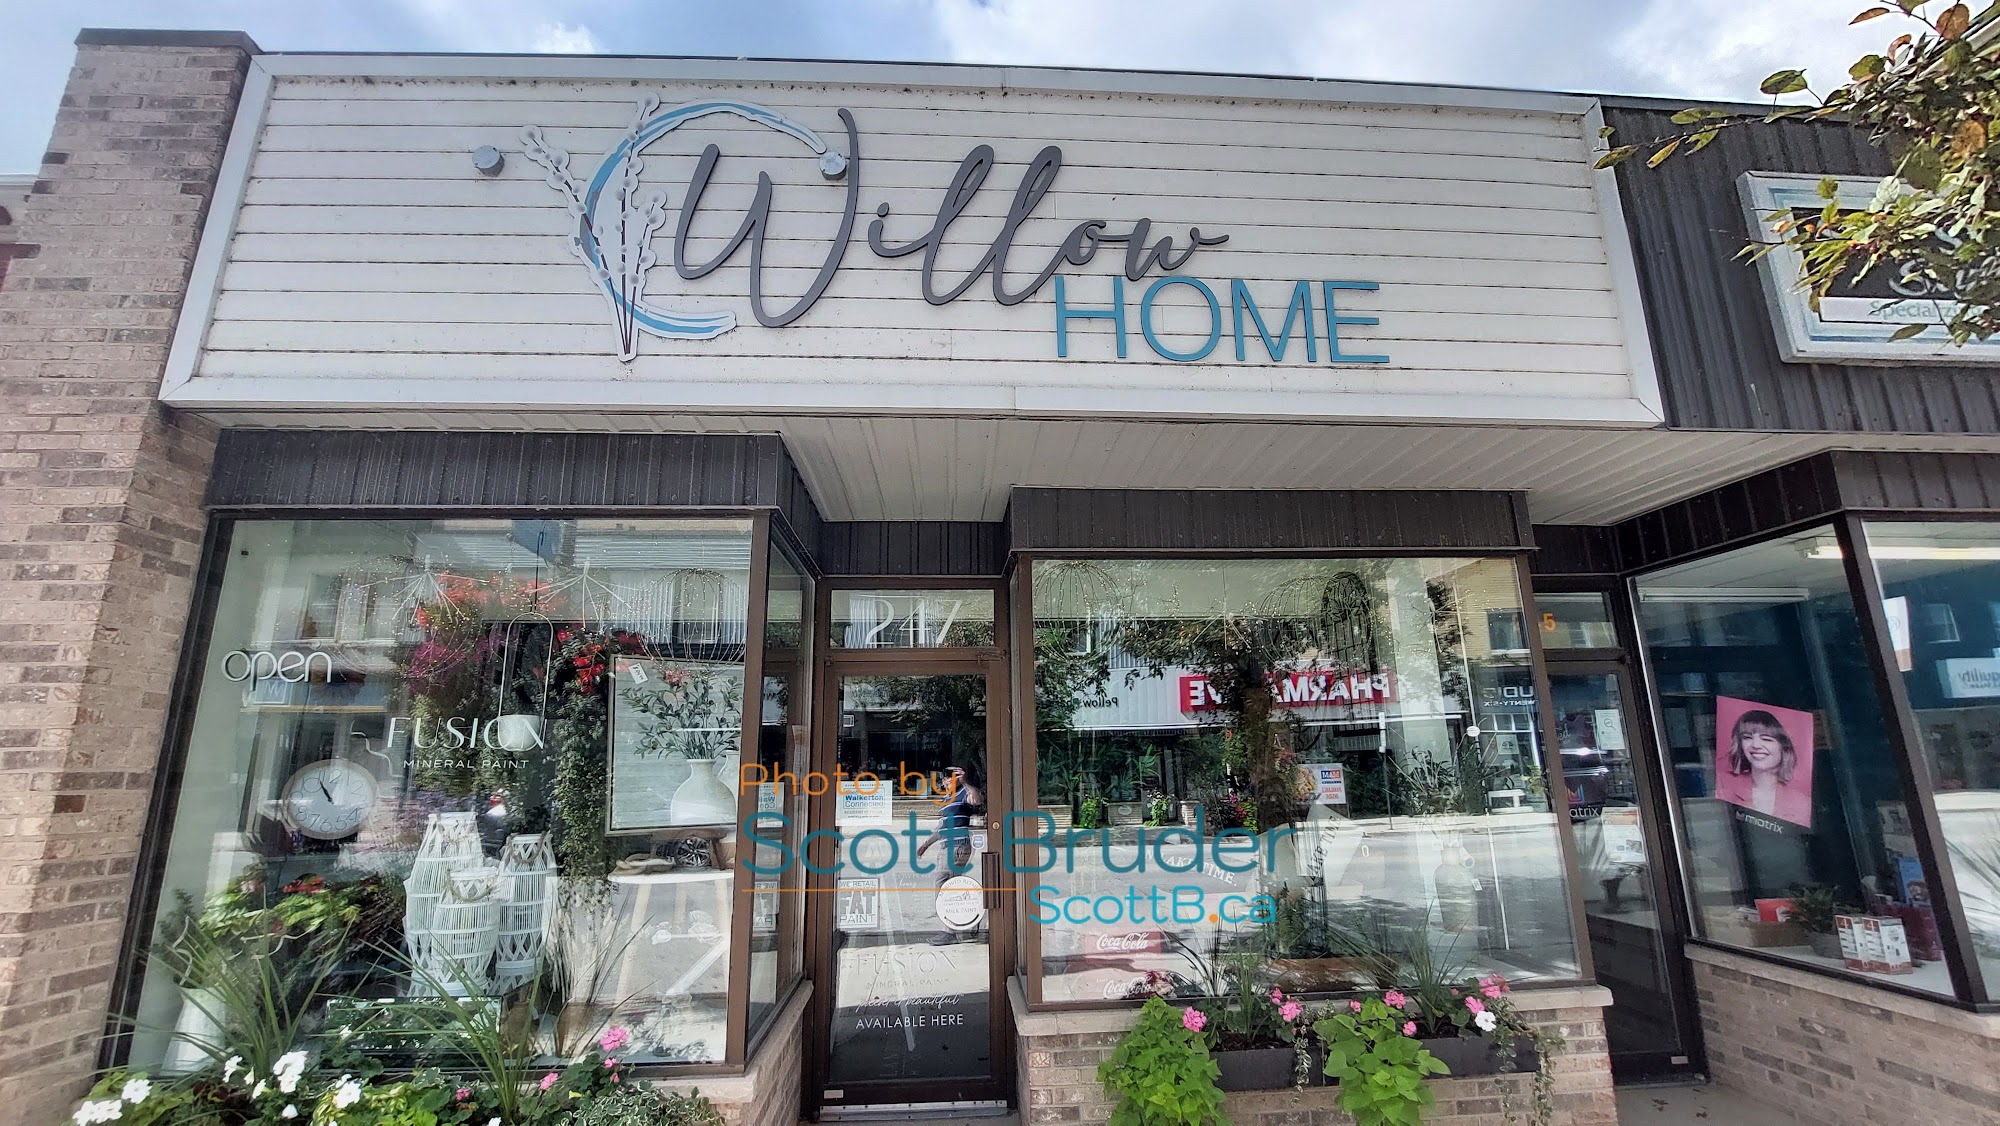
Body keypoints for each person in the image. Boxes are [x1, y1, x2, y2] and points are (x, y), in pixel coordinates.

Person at [916, 763, 984, 944]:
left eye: (950, 778)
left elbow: (976, 800)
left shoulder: (963, 794)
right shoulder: (947, 799)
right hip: (946, 848)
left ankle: (950, 931)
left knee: (947, 887)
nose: (946, 781)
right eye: (945, 778)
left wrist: (965, 782)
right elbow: (942, 827)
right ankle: (970, 918)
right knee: (950, 886)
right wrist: (926, 844)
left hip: (957, 846)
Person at [1716, 709, 1812, 827]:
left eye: (1766, 739)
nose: (1755, 745)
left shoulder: (1802, 804)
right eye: (1747, 737)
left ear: (1783, 747)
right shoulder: (1722, 785)